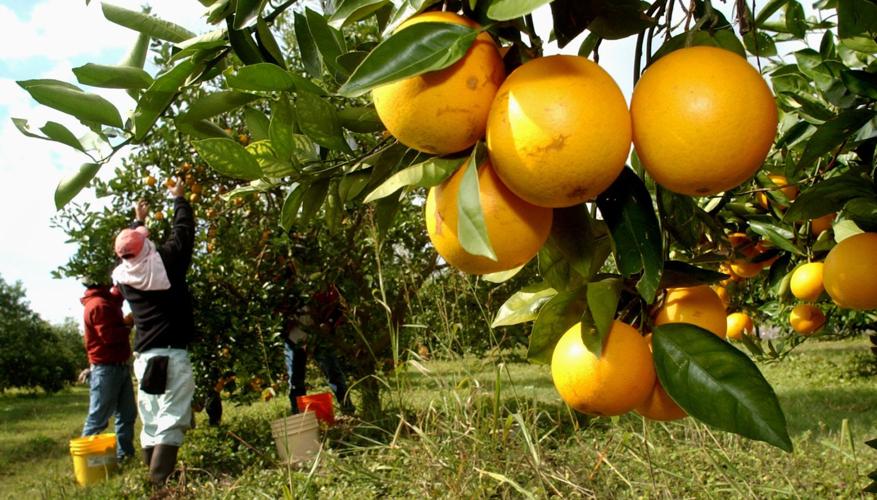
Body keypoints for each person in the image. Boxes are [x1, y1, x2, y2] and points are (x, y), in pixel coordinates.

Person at [112, 180, 196, 487]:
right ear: (147, 247)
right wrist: (179, 199)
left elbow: (133, 249)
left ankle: (159, 477)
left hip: (144, 357)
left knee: (150, 421)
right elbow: (183, 234)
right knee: (172, 418)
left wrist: (138, 221)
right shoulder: (167, 265)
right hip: (170, 355)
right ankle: (159, 485)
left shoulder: (123, 277)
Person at [78, 279, 137, 463]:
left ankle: (124, 455)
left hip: (118, 367)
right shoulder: (99, 305)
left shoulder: (104, 300)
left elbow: (117, 296)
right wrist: (127, 325)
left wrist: (124, 278)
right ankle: (86, 461)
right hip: (107, 369)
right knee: (98, 417)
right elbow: (110, 337)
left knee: (127, 414)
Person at [284, 285, 355, 416]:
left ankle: (348, 409)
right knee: (295, 380)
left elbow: (339, 305)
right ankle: (299, 416)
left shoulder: (322, 283)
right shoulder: (286, 285)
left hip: (319, 335)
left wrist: (329, 323)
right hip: (294, 337)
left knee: (333, 373)